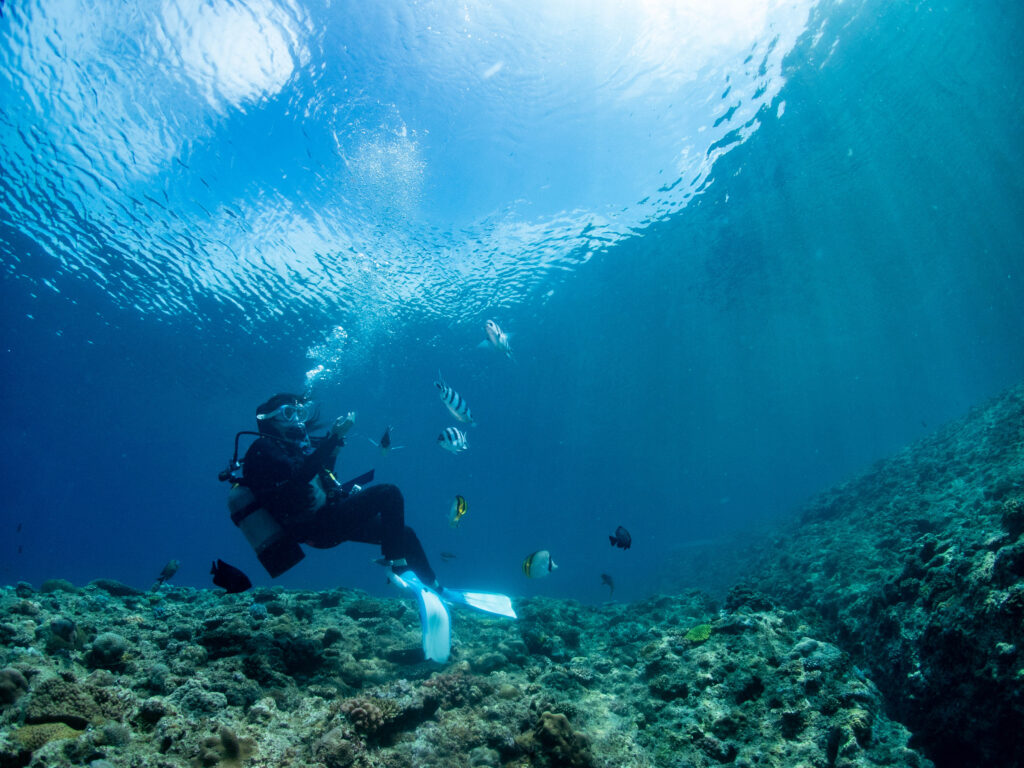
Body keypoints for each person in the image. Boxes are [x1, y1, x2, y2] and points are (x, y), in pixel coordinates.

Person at [236, 392, 438, 588]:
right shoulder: (263, 448)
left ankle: (435, 586)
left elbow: (317, 478)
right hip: (316, 526)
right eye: (289, 413)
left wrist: (333, 451)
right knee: (389, 493)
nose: (297, 420)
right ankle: (397, 567)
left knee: (403, 534)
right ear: (269, 419)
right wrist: (333, 439)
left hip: (328, 520)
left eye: (300, 413)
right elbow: (299, 477)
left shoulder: (289, 447)